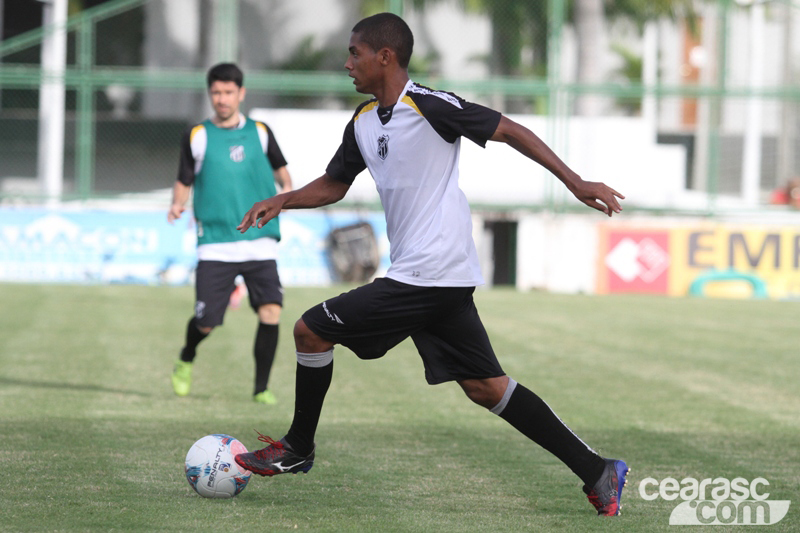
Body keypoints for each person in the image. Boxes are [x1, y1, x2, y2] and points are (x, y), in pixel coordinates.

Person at [234, 13, 628, 516]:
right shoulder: (361, 122)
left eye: (355, 52)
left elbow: (509, 130)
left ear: (385, 57)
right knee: (486, 388)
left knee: (311, 331)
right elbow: (335, 184)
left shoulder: (430, 106)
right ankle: (597, 469)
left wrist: (575, 182)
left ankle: (298, 448)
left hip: (429, 272)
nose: (347, 62)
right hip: (439, 277)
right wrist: (283, 199)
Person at [168, 62, 292, 405]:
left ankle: (261, 388)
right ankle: (187, 356)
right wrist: (177, 204)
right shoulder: (198, 135)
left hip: (260, 239)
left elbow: (284, 176)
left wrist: (287, 198)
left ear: (241, 93)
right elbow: (184, 179)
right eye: (216, 93)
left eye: (228, 92)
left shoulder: (262, 132)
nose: (221, 99)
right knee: (206, 322)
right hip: (216, 244)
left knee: (271, 310)